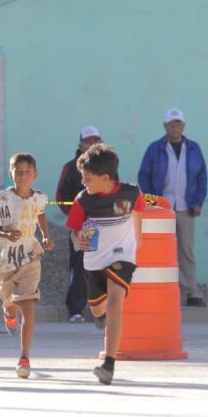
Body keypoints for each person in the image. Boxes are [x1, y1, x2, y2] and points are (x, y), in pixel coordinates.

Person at [65, 143, 145, 385]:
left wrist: (136, 244)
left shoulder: (131, 193)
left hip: (122, 256)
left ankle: (108, 364)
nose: (83, 182)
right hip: (94, 261)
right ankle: (99, 317)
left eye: (87, 178)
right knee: (99, 309)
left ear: (105, 178)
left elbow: (138, 215)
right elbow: (74, 232)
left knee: (115, 302)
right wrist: (78, 239)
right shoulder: (83, 201)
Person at [0, 153, 55, 378]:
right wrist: (5, 233)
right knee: (10, 301)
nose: (23, 176)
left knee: (28, 304)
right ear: (10, 174)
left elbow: (41, 214)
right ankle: (8, 312)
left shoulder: (40, 198)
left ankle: (24, 357)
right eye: (18, 171)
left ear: (35, 175)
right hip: (5, 258)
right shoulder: (0, 199)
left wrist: (45, 236)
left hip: (30, 256)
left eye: (27, 172)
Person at [137, 108, 208, 307]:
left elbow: (202, 177)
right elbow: (144, 175)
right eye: (171, 123)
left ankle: (190, 292)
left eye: (178, 123)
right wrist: (153, 202)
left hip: (186, 208)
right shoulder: (155, 149)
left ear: (183, 126)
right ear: (165, 126)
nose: (175, 126)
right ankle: (162, 291)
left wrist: (199, 202)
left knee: (186, 250)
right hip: (162, 211)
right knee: (161, 251)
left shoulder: (193, 149)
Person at [56, 125, 104, 322]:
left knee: (103, 265)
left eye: (96, 140)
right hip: (81, 227)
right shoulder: (70, 167)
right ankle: (75, 310)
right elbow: (61, 197)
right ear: (81, 144)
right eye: (88, 141)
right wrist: (77, 216)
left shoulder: (108, 167)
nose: (92, 145)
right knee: (79, 266)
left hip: (104, 226)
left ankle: (102, 310)